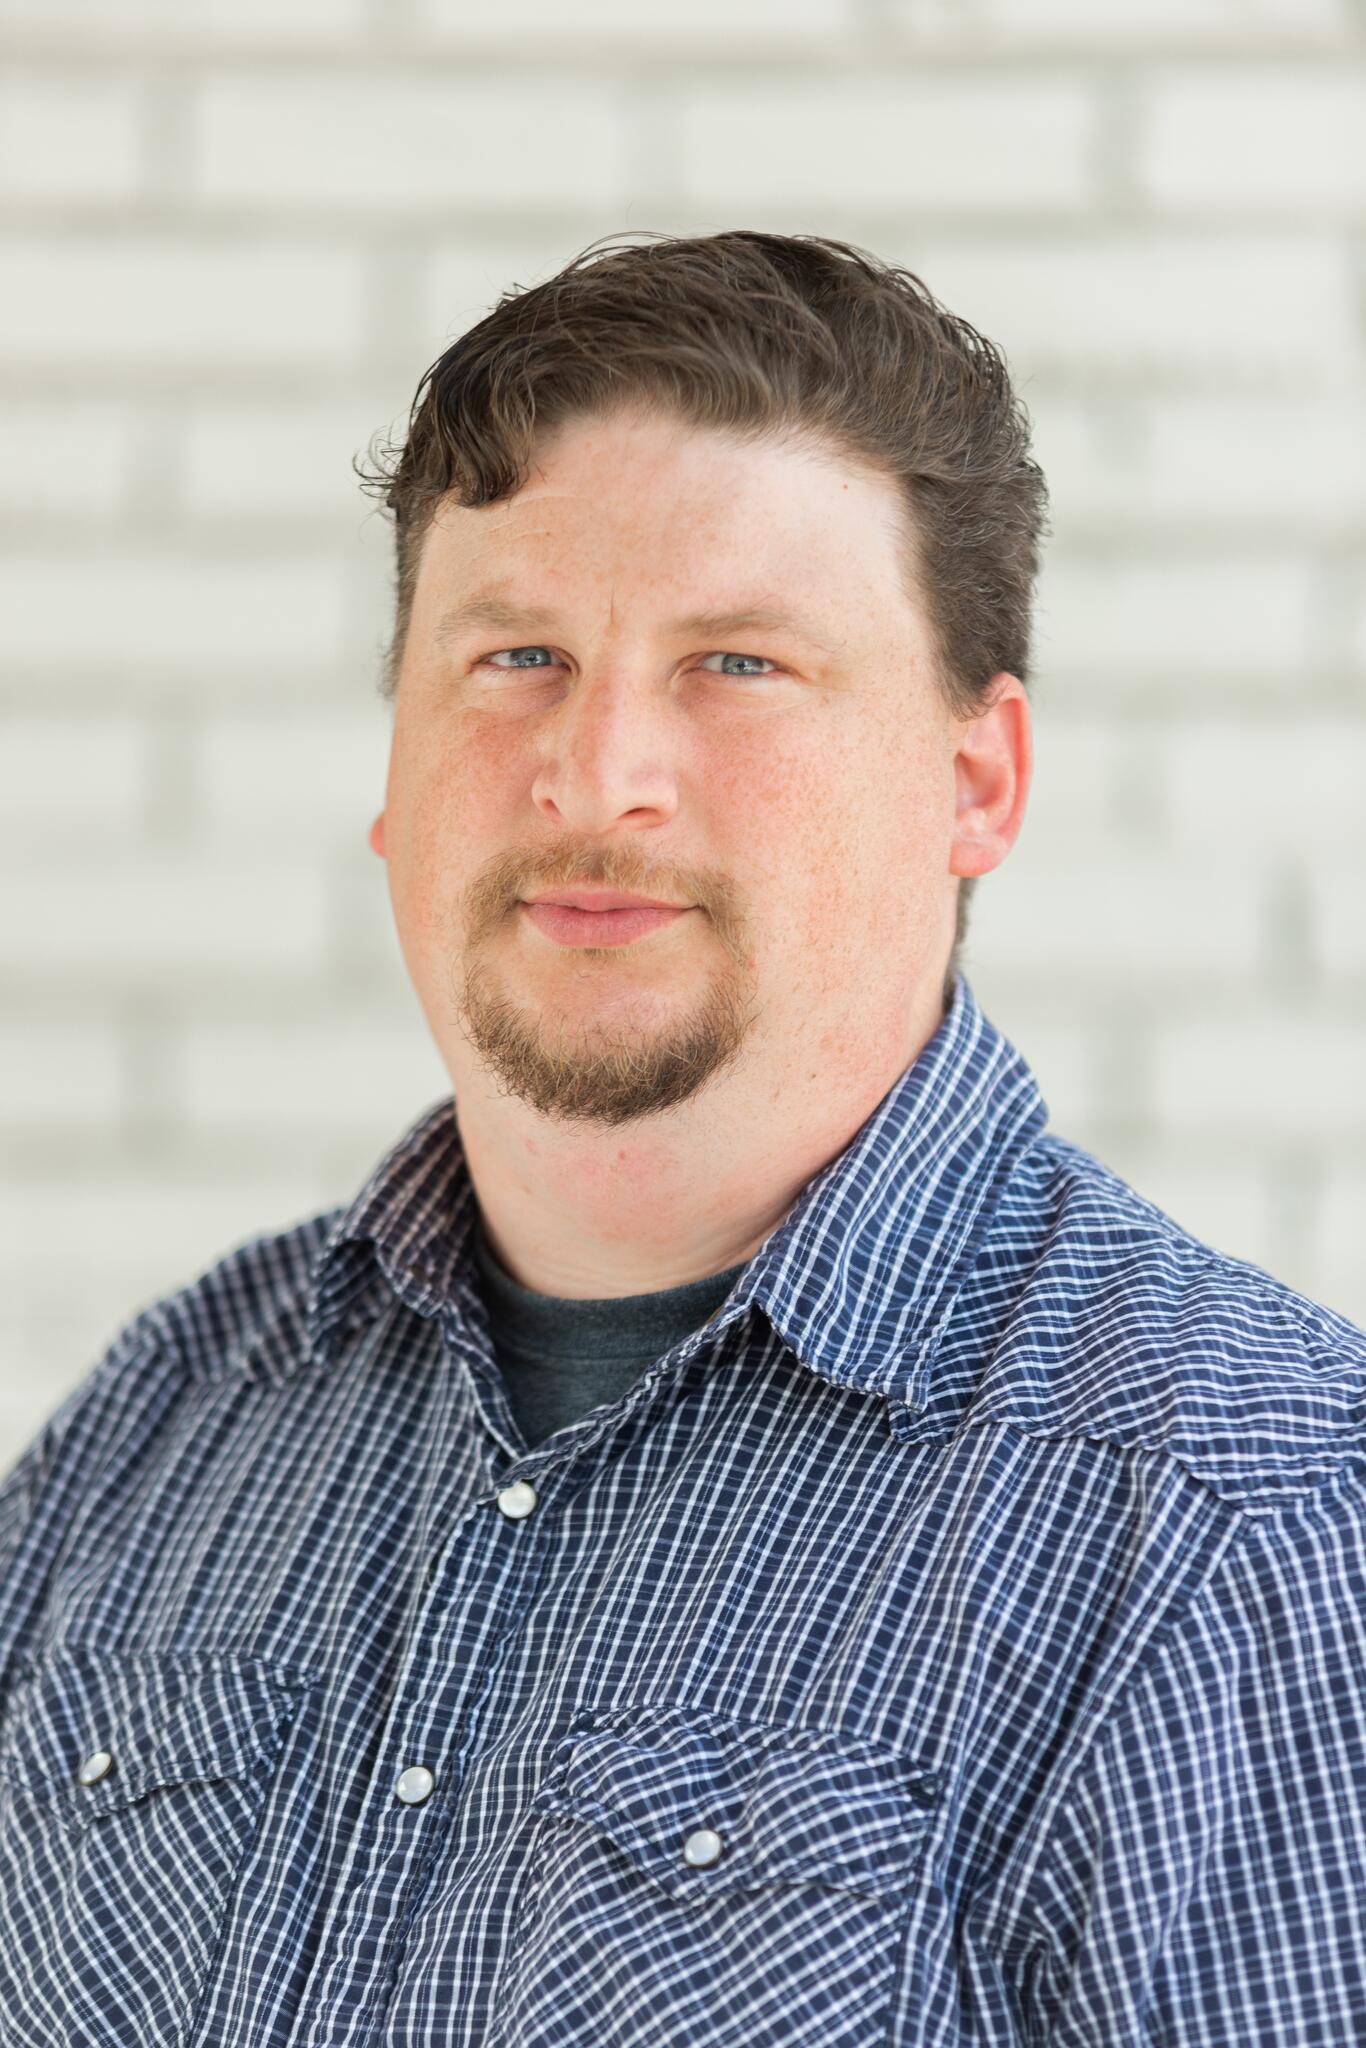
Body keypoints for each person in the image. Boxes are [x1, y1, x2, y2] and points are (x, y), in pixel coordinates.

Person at [0, 229, 1361, 2048]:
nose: (596, 773)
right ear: (392, 775)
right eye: (518, 655)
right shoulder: (164, 1423)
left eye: (735, 661)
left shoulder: (1250, 1528)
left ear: (975, 783)